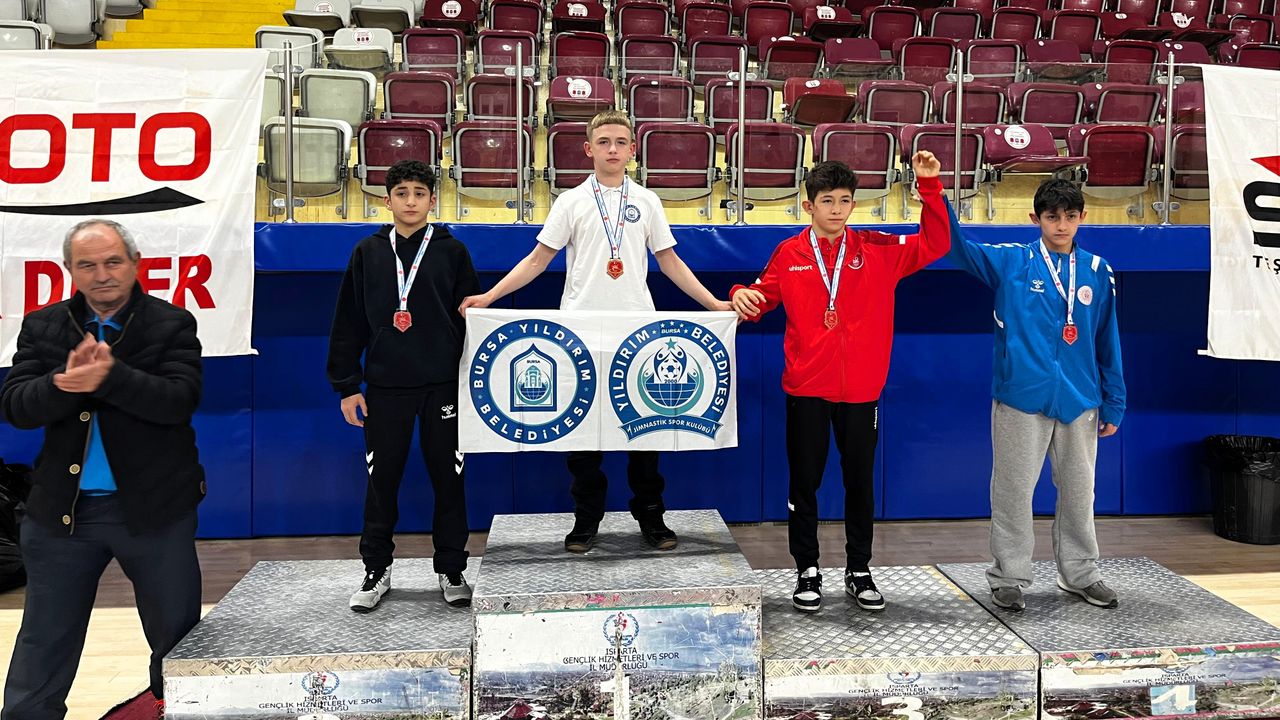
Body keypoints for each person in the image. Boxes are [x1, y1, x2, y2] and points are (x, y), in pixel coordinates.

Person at [459, 110, 732, 553]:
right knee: (583, 436)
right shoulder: (571, 201)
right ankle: (586, 519)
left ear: (633, 150)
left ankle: (651, 516)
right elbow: (538, 260)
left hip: (637, 334)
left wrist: (714, 304)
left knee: (645, 433)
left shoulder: (647, 201)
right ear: (588, 149)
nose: (612, 149)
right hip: (580, 335)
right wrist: (489, 296)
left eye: (620, 142)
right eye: (603, 142)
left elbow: (669, 262)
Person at [1, 219, 204, 719]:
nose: (102, 274)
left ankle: (180, 711)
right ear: (69, 270)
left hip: (155, 512)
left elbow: (178, 401)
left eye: (113, 261)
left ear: (135, 264)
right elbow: (16, 407)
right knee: (44, 639)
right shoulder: (42, 326)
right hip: (60, 518)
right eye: (87, 265)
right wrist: (61, 383)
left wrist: (111, 377)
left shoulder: (171, 324)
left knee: (177, 639)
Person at [730, 155, 949, 614]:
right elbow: (761, 296)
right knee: (804, 484)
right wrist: (740, 294)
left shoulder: (879, 249)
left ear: (853, 204)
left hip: (861, 391)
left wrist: (929, 187)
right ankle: (807, 568)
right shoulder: (789, 253)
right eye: (827, 201)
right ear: (808, 205)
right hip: (806, 388)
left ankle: (859, 569)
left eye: (845, 201)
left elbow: (937, 243)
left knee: (860, 483)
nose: (836, 209)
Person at [946, 178, 1125, 612]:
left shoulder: (1098, 270)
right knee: (1013, 491)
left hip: (1080, 399)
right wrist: (935, 194)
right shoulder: (1012, 261)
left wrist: (1114, 399)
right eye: (1052, 217)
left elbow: (1108, 339)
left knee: (1080, 492)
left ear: (1083, 217)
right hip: (1021, 397)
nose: (1061, 225)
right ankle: (1008, 576)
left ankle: (1081, 573)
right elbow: (958, 248)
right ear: (1035, 219)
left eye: (1070, 216)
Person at [328, 159, 480, 612]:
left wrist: (471, 383)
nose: (410, 201)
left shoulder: (453, 252)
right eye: (401, 193)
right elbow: (348, 322)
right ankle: (376, 569)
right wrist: (347, 385)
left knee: (449, 479)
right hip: (386, 387)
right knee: (382, 481)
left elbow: (472, 321)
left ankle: (451, 568)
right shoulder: (367, 252)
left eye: (419, 193)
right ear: (387, 199)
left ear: (433, 200)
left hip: (442, 387)